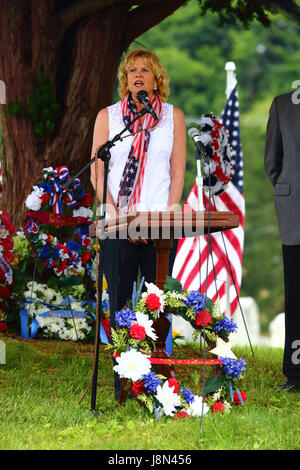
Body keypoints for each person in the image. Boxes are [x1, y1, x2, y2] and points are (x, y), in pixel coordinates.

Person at [90, 49, 186, 397]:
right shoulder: (110, 117)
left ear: (157, 78)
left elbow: (177, 171)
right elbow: (98, 167)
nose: (138, 75)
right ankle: (122, 384)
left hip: (160, 224)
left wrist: (171, 210)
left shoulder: (173, 117)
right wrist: (112, 210)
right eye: (132, 71)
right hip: (119, 222)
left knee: (157, 302)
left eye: (145, 70)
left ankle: (155, 384)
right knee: (119, 304)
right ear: (125, 80)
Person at [264, 89, 300, 391]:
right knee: (296, 292)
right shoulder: (283, 104)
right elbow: (273, 163)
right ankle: (296, 371)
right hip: (294, 214)